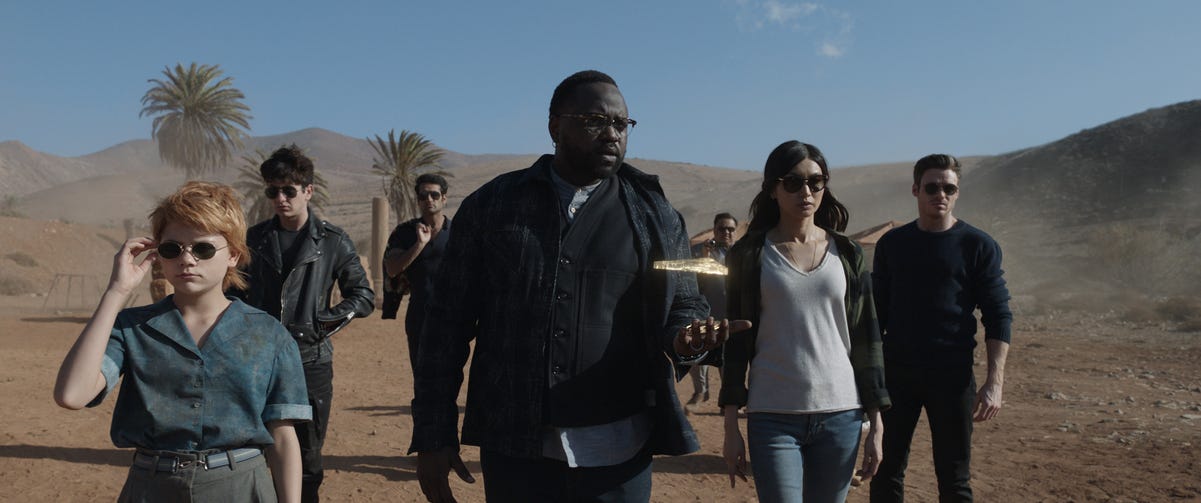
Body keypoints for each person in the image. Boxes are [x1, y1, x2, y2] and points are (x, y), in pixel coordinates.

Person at [409, 69, 748, 503]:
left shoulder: (657, 216)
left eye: (621, 124)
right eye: (594, 121)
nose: (611, 134)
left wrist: (686, 338)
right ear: (555, 127)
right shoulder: (494, 206)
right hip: (516, 446)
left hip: (620, 450)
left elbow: (684, 301)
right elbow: (445, 327)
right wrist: (433, 433)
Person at [53, 181, 311, 502]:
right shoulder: (132, 327)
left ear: (233, 255)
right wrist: (116, 292)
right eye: (172, 249)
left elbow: (283, 436)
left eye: (202, 249)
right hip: (152, 488)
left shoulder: (268, 333)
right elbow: (72, 395)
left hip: (241, 487)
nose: (187, 259)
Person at [720, 140, 890, 502]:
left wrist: (876, 422)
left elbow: (867, 338)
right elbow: (735, 344)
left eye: (816, 181)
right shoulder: (748, 255)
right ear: (773, 189)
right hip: (772, 414)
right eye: (794, 182)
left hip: (841, 414)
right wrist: (731, 426)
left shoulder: (848, 253)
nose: (807, 192)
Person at [232, 145, 375, 502]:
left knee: (308, 453)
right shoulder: (254, 239)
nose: (280, 198)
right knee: (254, 448)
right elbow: (233, 290)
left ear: (308, 191)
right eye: (272, 191)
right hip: (257, 359)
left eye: (288, 190)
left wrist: (320, 324)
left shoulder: (332, 241)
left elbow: (362, 296)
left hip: (310, 361)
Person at [869, 154, 1013, 502]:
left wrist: (994, 383)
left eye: (949, 188)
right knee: (885, 471)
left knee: (954, 478)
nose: (941, 195)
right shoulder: (893, 244)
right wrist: (866, 378)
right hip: (897, 375)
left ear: (957, 192)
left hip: (952, 376)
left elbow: (998, 315)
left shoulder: (978, 246)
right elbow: (875, 315)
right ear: (916, 190)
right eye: (932, 187)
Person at [382, 173, 452, 370]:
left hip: (452, 316)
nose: (429, 199)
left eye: (434, 195)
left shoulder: (458, 232)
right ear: (418, 200)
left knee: (450, 375)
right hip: (419, 315)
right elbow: (392, 269)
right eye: (423, 196)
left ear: (444, 198)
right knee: (421, 375)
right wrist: (419, 244)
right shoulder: (404, 232)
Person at [685, 212, 739, 405]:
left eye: (730, 229)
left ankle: (727, 400)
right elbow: (692, 279)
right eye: (722, 229)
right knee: (696, 354)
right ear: (714, 230)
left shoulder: (740, 253)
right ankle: (701, 392)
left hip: (731, 316)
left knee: (727, 360)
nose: (726, 232)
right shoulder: (699, 251)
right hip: (704, 314)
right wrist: (705, 255)